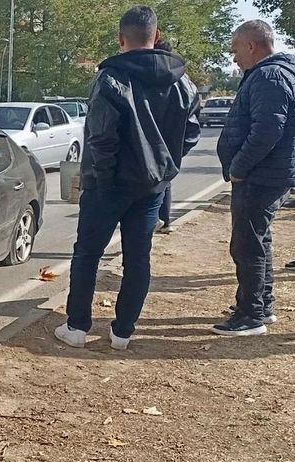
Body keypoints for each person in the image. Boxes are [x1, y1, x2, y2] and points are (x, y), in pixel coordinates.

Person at [55, 6, 201, 350]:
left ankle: (77, 327)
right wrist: (164, 166)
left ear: (121, 38)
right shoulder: (183, 81)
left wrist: (103, 181)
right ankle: (122, 332)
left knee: (88, 254)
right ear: (157, 36)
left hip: (109, 186)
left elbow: (101, 138)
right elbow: (191, 133)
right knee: (138, 257)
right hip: (151, 187)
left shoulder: (110, 78)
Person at [213, 21, 295, 336]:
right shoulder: (274, 73)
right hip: (268, 174)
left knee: (247, 245)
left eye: (235, 50)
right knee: (259, 241)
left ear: (251, 46)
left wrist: (239, 168)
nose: (233, 58)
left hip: (260, 176)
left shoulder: (268, 76)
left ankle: (251, 316)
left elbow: (267, 131)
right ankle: (261, 305)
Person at [154, 39, 175, 235]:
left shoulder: (150, 79)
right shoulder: (180, 80)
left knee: (157, 186)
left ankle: (159, 220)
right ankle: (165, 220)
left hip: (154, 145)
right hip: (168, 145)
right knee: (165, 183)